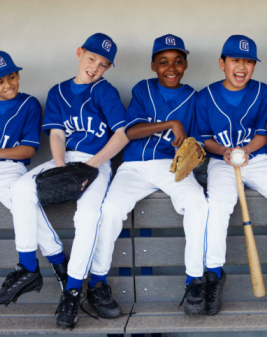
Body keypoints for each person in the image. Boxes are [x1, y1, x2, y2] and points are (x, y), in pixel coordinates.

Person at [0, 33, 129, 330]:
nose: (95, 67)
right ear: (79, 53)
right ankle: (28, 267)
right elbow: (57, 133)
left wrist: (89, 167)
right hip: (66, 158)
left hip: (96, 162)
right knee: (20, 188)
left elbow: (121, 135)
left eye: (103, 64)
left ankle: (71, 291)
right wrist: (59, 168)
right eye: (91, 58)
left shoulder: (105, 91)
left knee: (89, 215)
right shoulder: (57, 91)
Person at [94, 34, 209, 317]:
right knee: (109, 208)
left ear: (185, 65)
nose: (171, 68)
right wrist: (171, 123)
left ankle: (194, 280)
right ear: (153, 66)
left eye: (178, 62)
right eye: (163, 62)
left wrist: (191, 150)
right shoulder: (143, 88)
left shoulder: (193, 97)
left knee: (198, 203)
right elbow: (130, 132)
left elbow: (196, 141)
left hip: (170, 167)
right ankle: (96, 282)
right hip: (134, 165)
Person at [197, 34, 267, 314]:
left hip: (255, 158)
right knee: (218, 206)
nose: (242, 67)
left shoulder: (262, 91)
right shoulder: (206, 95)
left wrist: (246, 151)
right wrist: (226, 151)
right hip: (220, 161)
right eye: (235, 60)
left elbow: (264, 135)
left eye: (249, 62)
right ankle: (214, 273)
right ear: (222, 63)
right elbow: (205, 139)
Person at [0, 50, 66, 302]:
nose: (7, 85)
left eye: (11, 77)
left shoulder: (29, 103)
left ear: (18, 75)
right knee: (25, 208)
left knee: (23, 204)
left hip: (10, 168)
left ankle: (35, 267)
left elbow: (28, 149)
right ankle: (60, 267)